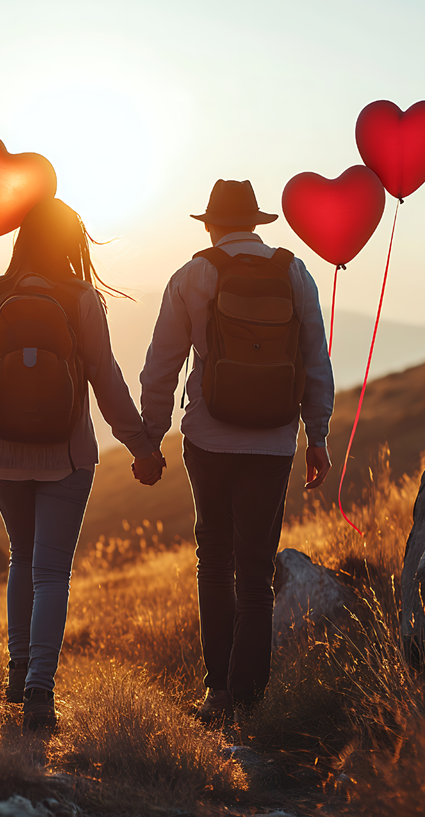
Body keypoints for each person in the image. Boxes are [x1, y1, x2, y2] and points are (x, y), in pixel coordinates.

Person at [0, 197, 161, 731]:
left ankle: (19, 675)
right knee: (51, 572)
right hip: (67, 456)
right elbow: (106, 382)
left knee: (22, 556)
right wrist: (141, 445)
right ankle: (40, 689)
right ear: (70, 244)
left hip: (2, 453)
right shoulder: (82, 298)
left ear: (20, 239)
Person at [137, 179, 335, 724]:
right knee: (256, 572)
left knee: (215, 562)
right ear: (256, 223)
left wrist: (150, 439)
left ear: (210, 225)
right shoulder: (294, 273)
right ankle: (250, 704)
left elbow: (161, 366)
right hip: (274, 442)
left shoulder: (192, 275)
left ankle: (218, 692)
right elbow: (316, 358)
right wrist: (316, 435)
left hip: (208, 438)